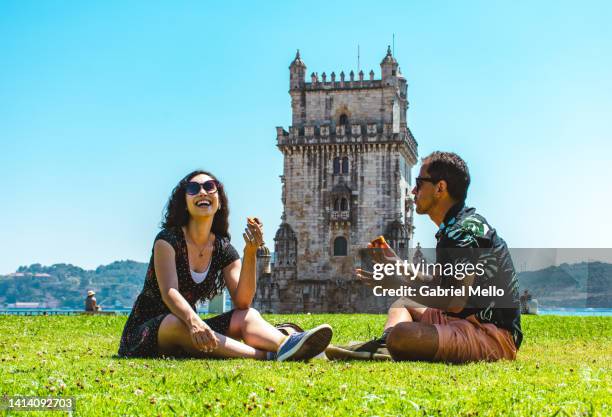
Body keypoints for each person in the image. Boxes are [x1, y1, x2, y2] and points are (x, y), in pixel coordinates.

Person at [118, 170, 332, 360]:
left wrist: (250, 251)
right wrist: (195, 321)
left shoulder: (223, 248)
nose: (203, 192)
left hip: (192, 328)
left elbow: (242, 301)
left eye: (210, 187)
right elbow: (169, 291)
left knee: (247, 316)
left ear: (219, 200)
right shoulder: (167, 240)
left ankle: (286, 345)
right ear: (184, 201)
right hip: (150, 330)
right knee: (175, 322)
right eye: (193, 188)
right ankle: (267, 355)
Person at [336, 151, 522, 363]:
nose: (413, 190)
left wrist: (397, 284)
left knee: (402, 334)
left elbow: (454, 300)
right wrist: (399, 266)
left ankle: (391, 344)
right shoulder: (453, 228)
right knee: (403, 304)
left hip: (492, 336)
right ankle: (385, 346)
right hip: (460, 321)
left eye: (419, 182)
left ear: (440, 188)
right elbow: (439, 283)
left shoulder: (463, 233)